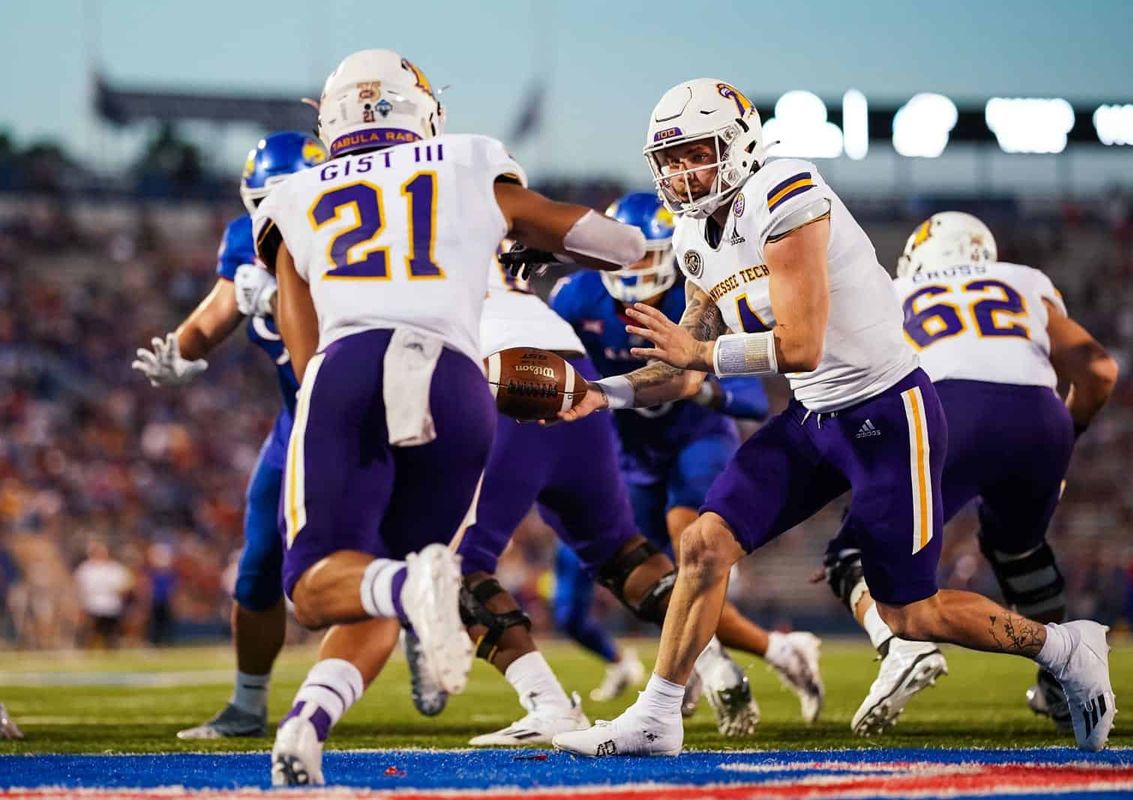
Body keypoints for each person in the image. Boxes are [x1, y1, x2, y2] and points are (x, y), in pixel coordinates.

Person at [544, 78, 1115, 757]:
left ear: (737, 142)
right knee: (703, 544)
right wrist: (601, 392)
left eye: (694, 153)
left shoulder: (785, 192)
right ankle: (656, 717)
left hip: (887, 410)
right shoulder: (695, 234)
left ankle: (1064, 647)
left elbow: (799, 343)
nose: (679, 172)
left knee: (909, 612)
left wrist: (697, 350)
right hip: (817, 413)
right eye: (667, 159)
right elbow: (682, 361)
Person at [253, 49, 644, 786]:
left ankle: (410, 591)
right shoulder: (468, 161)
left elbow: (304, 354)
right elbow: (612, 244)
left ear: (331, 117)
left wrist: (336, 417)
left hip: (352, 365)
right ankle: (304, 732)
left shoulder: (292, 195)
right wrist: (578, 244)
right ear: (422, 110)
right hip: (458, 382)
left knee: (314, 586)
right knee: (382, 581)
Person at [823, 212, 1119, 736]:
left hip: (943, 410)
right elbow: (1100, 371)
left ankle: (901, 648)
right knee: (1018, 549)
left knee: (850, 549)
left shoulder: (895, 289)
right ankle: (1062, 685)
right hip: (1039, 416)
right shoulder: (1023, 279)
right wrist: (1062, 439)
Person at [549, 192, 822, 720]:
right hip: (632, 454)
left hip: (698, 438)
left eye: (646, 256)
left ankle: (713, 671)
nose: (632, 270)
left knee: (686, 537)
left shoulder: (699, 294)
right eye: (622, 256)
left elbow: (750, 398)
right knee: (655, 583)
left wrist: (692, 386)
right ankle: (776, 650)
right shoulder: (577, 297)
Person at [133, 131, 328, 739]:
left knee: (394, 554)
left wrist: (277, 297)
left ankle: (429, 645)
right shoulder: (247, 240)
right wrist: (181, 351)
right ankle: (247, 704)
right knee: (258, 571)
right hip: (295, 424)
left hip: (364, 420)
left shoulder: (352, 235)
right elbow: (219, 308)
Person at [73, 541, 133, 649]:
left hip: (111, 606)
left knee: (110, 634)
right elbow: (78, 588)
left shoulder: (115, 568)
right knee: (91, 633)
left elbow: (127, 584)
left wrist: (119, 591)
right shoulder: (85, 569)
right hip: (92, 606)